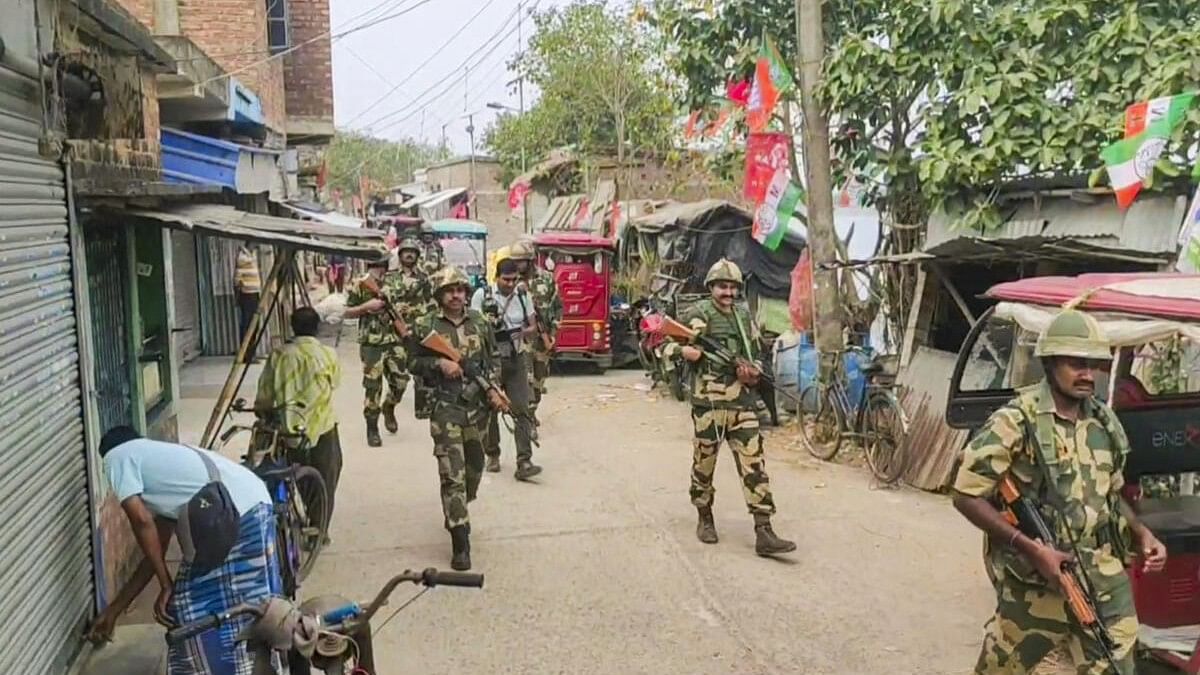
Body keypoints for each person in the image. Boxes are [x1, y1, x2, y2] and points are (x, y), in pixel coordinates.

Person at [951, 308, 1167, 674]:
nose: (1087, 374)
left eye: (1094, 364)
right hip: (1036, 581)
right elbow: (966, 493)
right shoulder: (1016, 421)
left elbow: (1112, 496)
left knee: (1118, 665)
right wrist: (1031, 548)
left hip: (1101, 573)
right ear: (1050, 363)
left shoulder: (1104, 423)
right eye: (1075, 363)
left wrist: (1143, 533)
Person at [84, 428, 279, 675]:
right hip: (254, 505)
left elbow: (141, 521)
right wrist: (115, 610)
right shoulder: (166, 475)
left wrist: (166, 585)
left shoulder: (117, 456)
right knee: (252, 604)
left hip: (238, 515)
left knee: (191, 608)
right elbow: (154, 554)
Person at [669, 259, 795, 557]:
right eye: (722, 286)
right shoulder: (696, 315)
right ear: (711, 287)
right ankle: (705, 516)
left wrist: (754, 370)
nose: (727, 292)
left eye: (732, 287)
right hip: (709, 403)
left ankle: (764, 530)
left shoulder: (742, 314)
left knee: (754, 465)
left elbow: (757, 350)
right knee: (704, 464)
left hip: (742, 402)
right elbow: (663, 345)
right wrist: (688, 352)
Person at [408, 266, 510, 570]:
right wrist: (438, 363)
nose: (456, 295)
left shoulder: (480, 321)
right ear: (440, 294)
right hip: (445, 406)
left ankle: (457, 508)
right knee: (452, 474)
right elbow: (411, 360)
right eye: (450, 290)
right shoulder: (426, 324)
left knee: (474, 470)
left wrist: (494, 388)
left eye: (461, 290)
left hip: (477, 408)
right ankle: (460, 539)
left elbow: (493, 358)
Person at [255, 306, 342, 536]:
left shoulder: (279, 355)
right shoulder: (328, 354)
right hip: (322, 427)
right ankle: (319, 530)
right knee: (327, 479)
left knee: (295, 476)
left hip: (287, 429)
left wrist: (263, 411)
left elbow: (265, 394)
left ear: (292, 327)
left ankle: (304, 517)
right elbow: (335, 383)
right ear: (317, 328)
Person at [471, 257, 543, 481]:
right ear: (496, 277)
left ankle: (524, 460)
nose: (510, 284)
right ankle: (492, 453)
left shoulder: (523, 296)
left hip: (516, 356)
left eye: (514, 279)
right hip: (491, 359)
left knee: (521, 408)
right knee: (491, 407)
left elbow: (533, 326)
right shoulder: (482, 296)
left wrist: (521, 332)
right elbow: (472, 325)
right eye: (506, 279)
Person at [345, 253, 407, 447]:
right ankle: (372, 427)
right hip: (372, 343)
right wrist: (366, 307)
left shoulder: (395, 282)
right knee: (373, 387)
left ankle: (389, 406)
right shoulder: (359, 284)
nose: (380, 268)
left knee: (401, 382)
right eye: (377, 264)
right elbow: (345, 311)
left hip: (394, 339)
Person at [510, 240, 561, 419]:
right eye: (515, 262)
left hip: (542, 336)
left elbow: (557, 308)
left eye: (521, 261)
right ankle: (527, 417)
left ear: (530, 260)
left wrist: (553, 334)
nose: (517, 265)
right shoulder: (510, 281)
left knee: (539, 378)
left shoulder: (546, 279)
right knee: (526, 378)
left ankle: (532, 409)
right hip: (521, 338)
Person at [235, 244, 262, 353]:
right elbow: (237, 279)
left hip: (254, 292)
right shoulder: (243, 256)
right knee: (248, 324)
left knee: (255, 323)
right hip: (247, 294)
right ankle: (246, 353)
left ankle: (251, 352)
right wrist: (238, 293)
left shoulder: (252, 254)